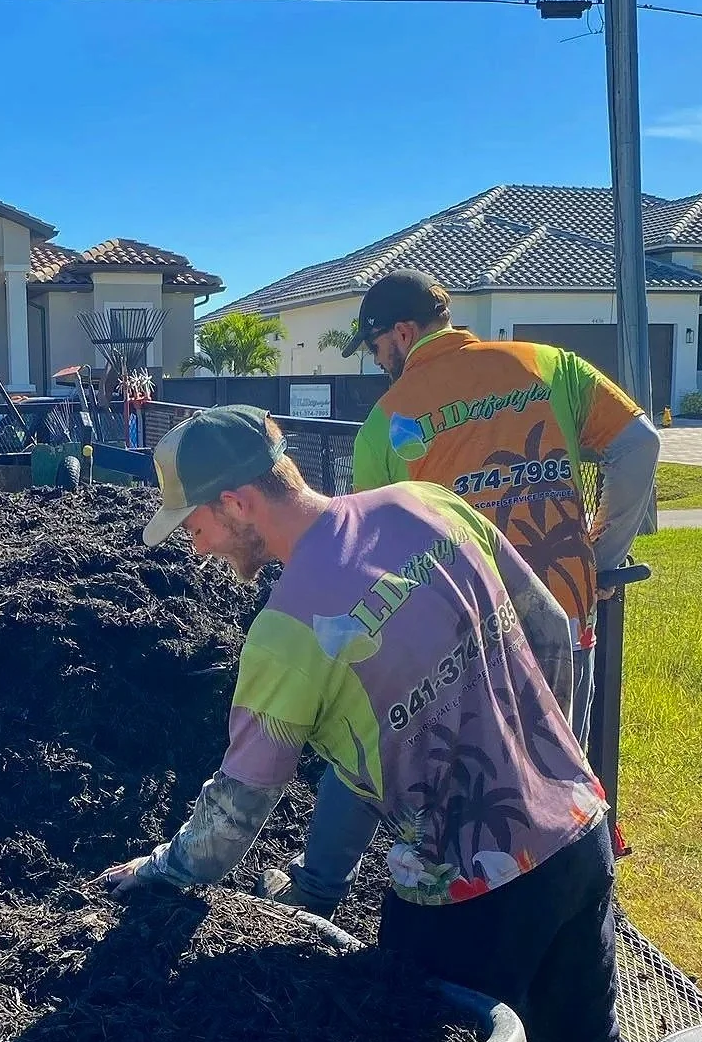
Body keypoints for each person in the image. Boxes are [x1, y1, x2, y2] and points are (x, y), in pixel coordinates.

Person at [100, 405, 632, 1042]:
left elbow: (234, 813)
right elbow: (551, 630)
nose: (189, 544)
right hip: (577, 830)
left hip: (463, 892)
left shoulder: (290, 628)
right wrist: (553, 766)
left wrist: (158, 873)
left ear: (237, 502)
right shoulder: (427, 505)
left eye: (191, 522)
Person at [268, 268, 660, 917]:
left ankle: (319, 892)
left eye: (375, 347)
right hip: (561, 603)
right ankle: (572, 913)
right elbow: (638, 445)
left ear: (401, 332)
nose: (378, 363)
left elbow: (376, 549)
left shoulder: (385, 424)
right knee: (555, 771)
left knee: (375, 742)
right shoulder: (547, 365)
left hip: (460, 629)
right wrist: (602, 553)